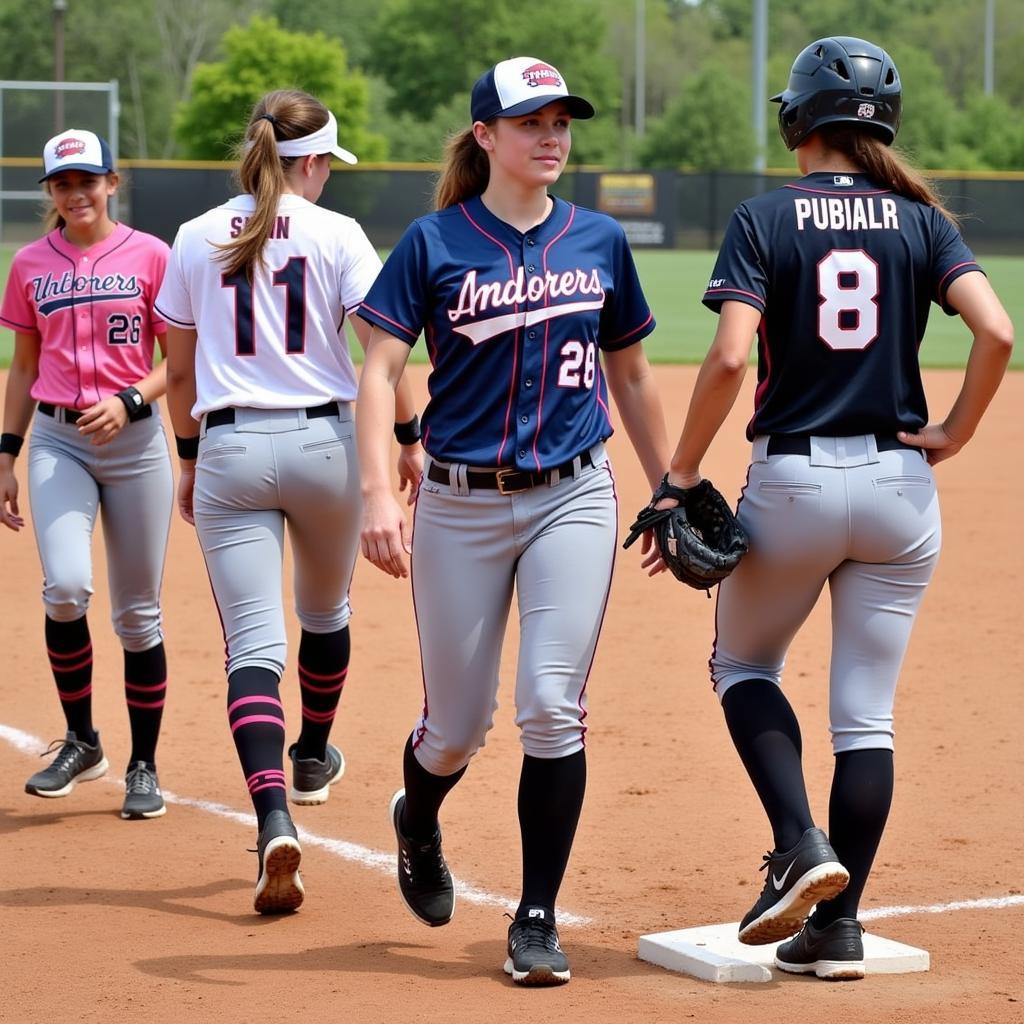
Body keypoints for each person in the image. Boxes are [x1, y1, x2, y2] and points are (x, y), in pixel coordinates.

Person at [646, 36, 1013, 980]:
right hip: (901, 490)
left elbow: (729, 358)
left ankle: (798, 842)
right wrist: (957, 432)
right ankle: (838, 930)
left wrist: (679, 474)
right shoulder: (923, 221)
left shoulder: (765, 216)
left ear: (797, 120)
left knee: (742, 663)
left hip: (797, 483)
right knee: (867, 718)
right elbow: (996, 330)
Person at [356, 57, 671, 985]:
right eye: (531, 120)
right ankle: (418, 815)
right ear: (485, 136)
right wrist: (379, 491)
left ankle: (535, 915)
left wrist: (670, 485)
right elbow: (377, 372)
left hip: (574, 493)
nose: (552, 134)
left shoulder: (599, 239)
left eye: (562, 119)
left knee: (549, 706)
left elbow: (635, 376)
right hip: (457, 503)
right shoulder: (433, 241)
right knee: (456, 728)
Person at [157, 90, 422, 914]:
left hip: (232, 444)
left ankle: (273, 815)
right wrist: (410, 437)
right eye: (325, 168)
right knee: (326, 613)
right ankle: (312, 753)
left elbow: (180, 365)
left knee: (251, 649)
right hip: (325, 448)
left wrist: (192, 459)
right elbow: (384, 353)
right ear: (311, 162)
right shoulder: (335, 233)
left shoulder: (194, 234)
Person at [0, 129, 174, 820]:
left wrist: (133, 398)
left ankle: (143, 764)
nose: (77, 193)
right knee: (67, 588)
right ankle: (82, 739)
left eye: (88, 180)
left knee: (137, 614)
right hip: (56, 442)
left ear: (112, 183)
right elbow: (22, 364)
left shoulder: (151, 255)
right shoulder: (30, 263)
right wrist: (5, 453)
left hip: (135, 445)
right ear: (50, 191)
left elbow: (177, 360)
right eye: (64, 183)